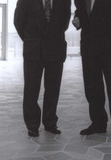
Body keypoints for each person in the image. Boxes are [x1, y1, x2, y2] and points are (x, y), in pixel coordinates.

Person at [72, 0, 111, 142]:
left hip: (109, 47)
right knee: (92, 87)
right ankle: (98, 122)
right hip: (88, 46)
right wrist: (77, 18)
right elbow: (81, 10)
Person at [14, 0, 71, 137]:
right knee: (31, 89)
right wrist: (30, 39)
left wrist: (52, 37)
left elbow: (65, 21)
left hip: (55, 49)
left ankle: (50, 122)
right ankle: (32, 125)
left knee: (53, 88)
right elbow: (18, 22)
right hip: (33, 50)